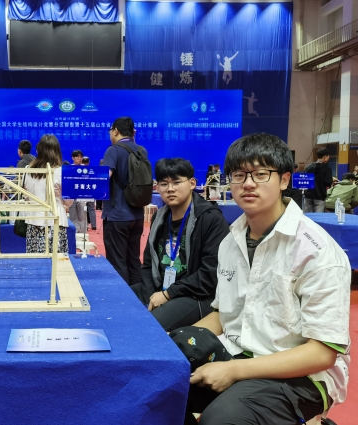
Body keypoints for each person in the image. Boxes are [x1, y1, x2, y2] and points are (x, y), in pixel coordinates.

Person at [180, 133, 350, 425]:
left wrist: (233, 371)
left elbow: (322, 353)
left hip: (304, 375)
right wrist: (174, 346)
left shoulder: (317, 250)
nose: (248, 183)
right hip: (239, 351)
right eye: (239, 175)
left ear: (284, 179)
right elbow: (223, 314)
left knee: (222, 419)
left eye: (260, 174)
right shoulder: (230, 241)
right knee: (159, 381)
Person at [131, 158, 229, 331]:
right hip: (161, 287)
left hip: (196, 295)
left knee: (147, 327)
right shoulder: (159, 217)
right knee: (117, 302)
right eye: (164, 184)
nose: (170, 189)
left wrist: (168, 294)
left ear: (192, 183)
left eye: (177, 182)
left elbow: (210, 274)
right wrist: (151, 297)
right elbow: (147, 264)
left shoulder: (210, 218)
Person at [102, 116, 145, 285]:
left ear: (115, 131)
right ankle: (138, 295)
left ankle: (123, 299)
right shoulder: (141, 150)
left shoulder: (114, 150)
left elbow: (105, 177)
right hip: (137, 214)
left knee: (117, 261)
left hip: (117, 215)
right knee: (133, 259)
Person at [23, 134, 72, 253]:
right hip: (55, 221)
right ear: (57, 151)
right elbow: (68, 201)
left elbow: (26, 196)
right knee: (56, 260)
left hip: (33, 221)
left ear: (38, 150)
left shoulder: (28, 169)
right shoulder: (61, 172)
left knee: (35, 259)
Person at [303, 147, 333, 213]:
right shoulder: (327, 169)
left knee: (307, 217)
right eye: (328, 157)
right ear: (325, 157)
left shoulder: (308, 167)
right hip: (320, 197)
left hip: (307, 196)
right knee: (318, 218)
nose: (328, 158)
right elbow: (328, 182)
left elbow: (305, 181)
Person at [68, 149, 86, 233]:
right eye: (77, 157)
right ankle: (74, 233)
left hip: (81, 195)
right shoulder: (69, 168)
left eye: (81, 157)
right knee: (73, 216)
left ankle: (83, 233)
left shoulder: (85, 169)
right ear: (73, 158)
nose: (79, 158)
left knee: (82, 216)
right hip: (71, 195)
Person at [81, 156, 97, 230]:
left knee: (83, 209)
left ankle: (85, 226)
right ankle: (94, 225)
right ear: (89, 162)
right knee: (91, 209)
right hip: (91, 192)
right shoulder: (92, 170)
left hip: (82, 192)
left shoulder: (79, 171)